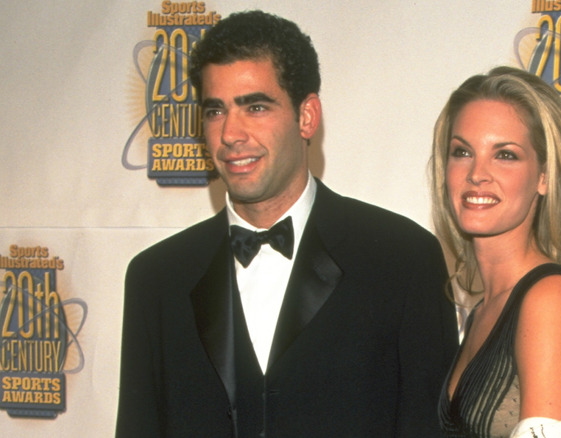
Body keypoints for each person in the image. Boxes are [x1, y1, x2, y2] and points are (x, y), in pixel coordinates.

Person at [115, 10, 458, 438]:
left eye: (255, 106)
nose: (231, 134)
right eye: (215, 111)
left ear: (307, 116)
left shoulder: (402, 259)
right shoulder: (157, 278)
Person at [431, 67, 561, 437]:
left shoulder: (550, 299)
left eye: (506, 155)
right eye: (462, 151)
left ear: (544, 176)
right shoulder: (484, 309)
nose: (477, 173)